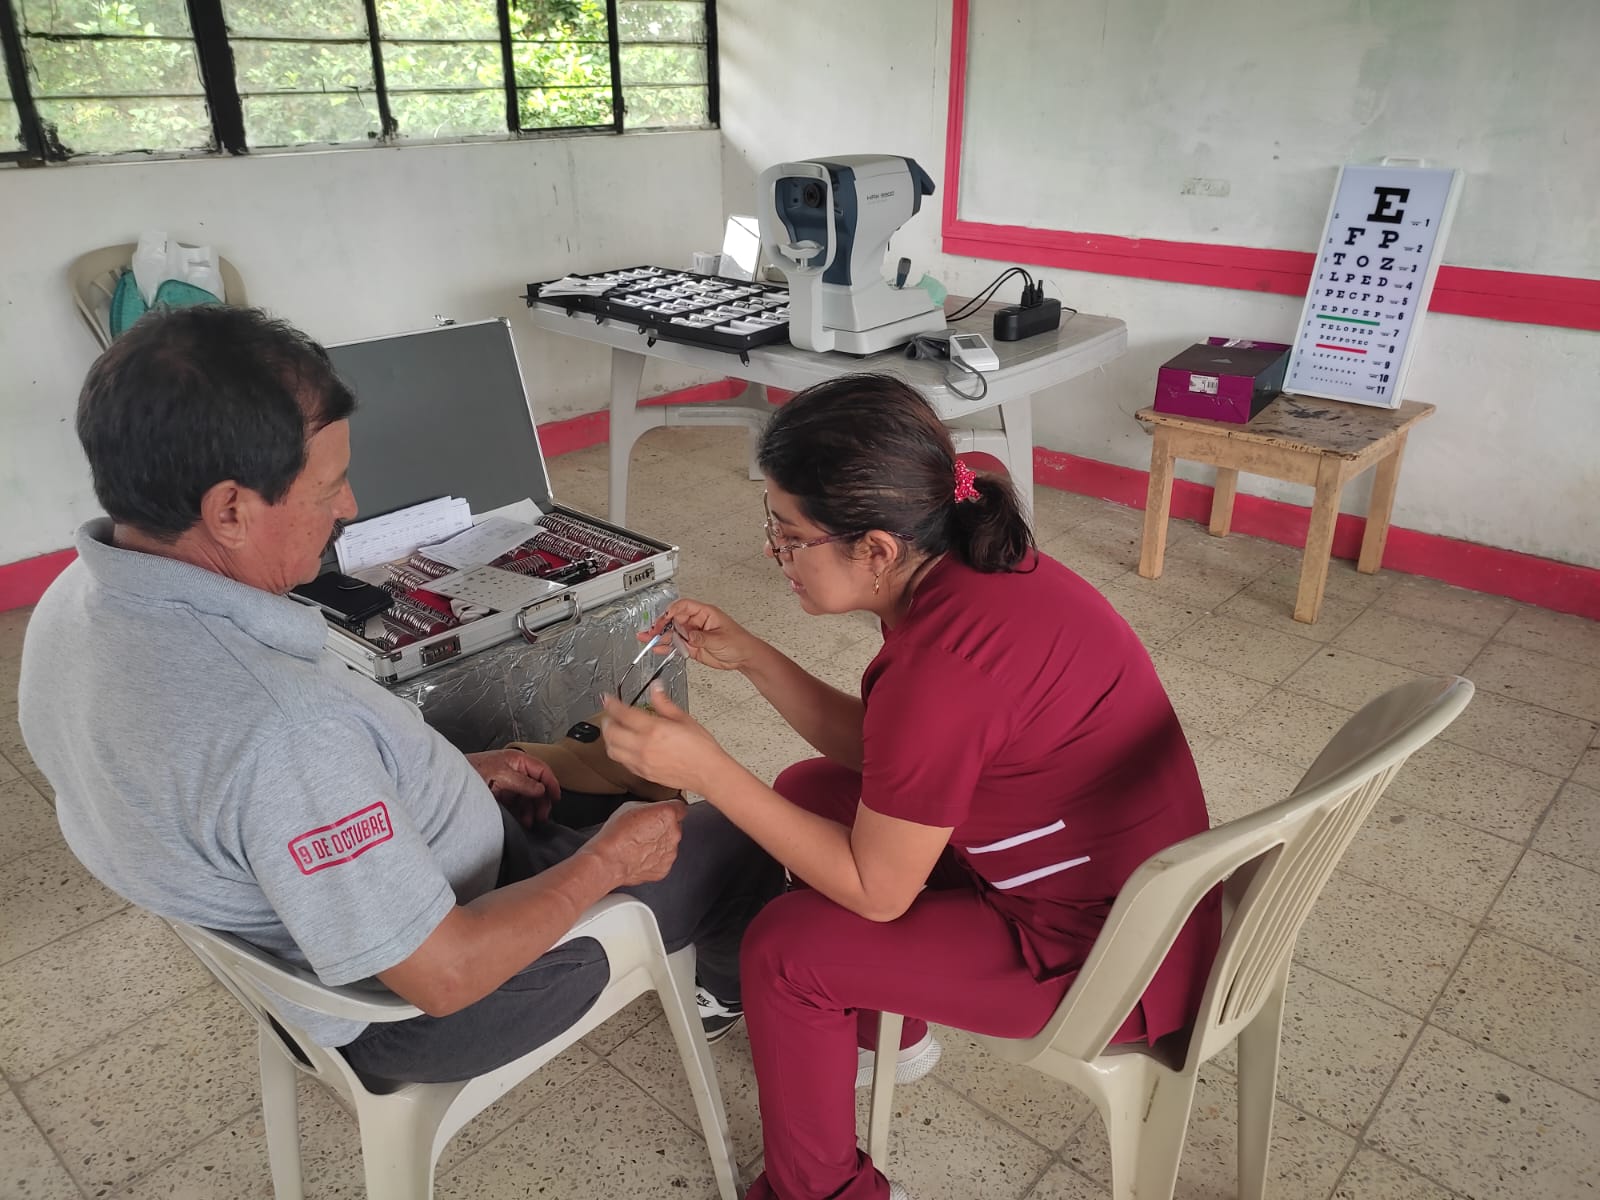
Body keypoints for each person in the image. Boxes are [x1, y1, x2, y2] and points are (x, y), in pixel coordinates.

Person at [17, 305, 782, 1085]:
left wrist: (436, 783)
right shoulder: (284, 731)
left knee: (602, 774)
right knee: (745, 838)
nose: (348, 507)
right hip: (425, 1007)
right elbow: (444, 976)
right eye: (329, 486)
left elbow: (259, 805)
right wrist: (607, 863)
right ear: (230, 511)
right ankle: (721, 994)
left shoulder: (75, 600)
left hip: (349, 915)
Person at [601, 373, 1221, 1200]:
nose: (776, 555)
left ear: (878, 550)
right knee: (812, 789)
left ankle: (823, 1191)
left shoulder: (944, 667)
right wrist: (753, 657)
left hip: (1107, 956)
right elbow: (897, 754)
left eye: (790, 536)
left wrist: (708, 769)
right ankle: (889, 1030)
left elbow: (877, 889)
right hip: (1124, 888)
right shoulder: (980, 568)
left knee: (784, 952)